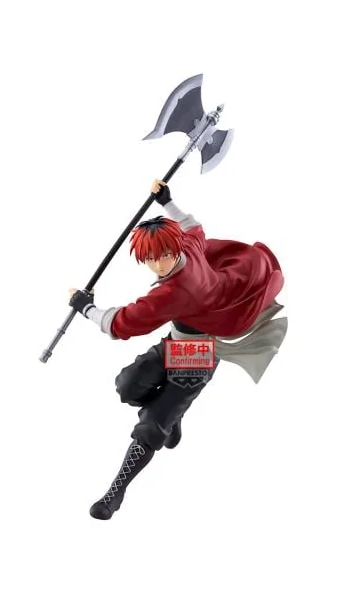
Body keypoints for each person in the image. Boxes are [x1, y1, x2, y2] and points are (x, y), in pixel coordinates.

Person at [69, 180, 288, 520]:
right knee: (127, 386)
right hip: (175, 342)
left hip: (198, 355)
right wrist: (167, 202)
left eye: (164, 255)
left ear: (175, 249)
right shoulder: (191, 247)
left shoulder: (175, 292)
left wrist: (86, 307)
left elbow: (121, 324)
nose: (159, 265)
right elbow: (192, 226)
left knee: (152, 425)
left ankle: (114, 494)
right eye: (151, 258)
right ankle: (173, 414)